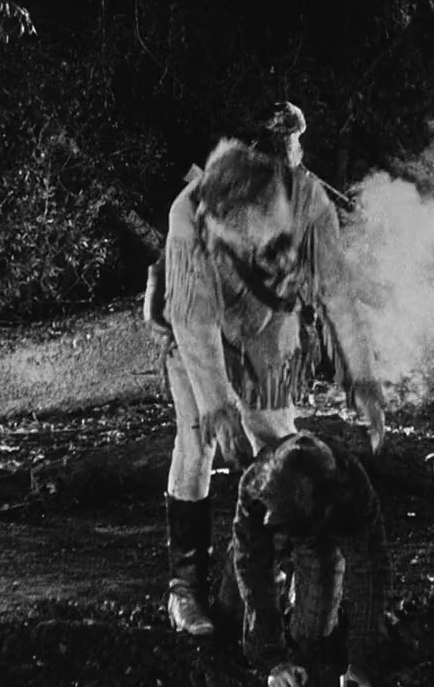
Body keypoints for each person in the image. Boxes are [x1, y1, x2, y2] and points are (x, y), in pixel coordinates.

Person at [146, 105, 386, 638]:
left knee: (277, 443)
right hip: (198, 330)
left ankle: (285, 569)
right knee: (197, 442)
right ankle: (185, 588)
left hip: (269, 323)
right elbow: (192, 319)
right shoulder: (188, 216)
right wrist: (217, 405)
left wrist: (363, 376)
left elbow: (336, 290)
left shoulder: (309, 201)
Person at [233, 431, 390, 687]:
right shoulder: (255, 489)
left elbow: (369, 571)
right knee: (233, 613)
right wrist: (272, 659)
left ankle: (297, 594)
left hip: (321, 533)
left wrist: (361, 663)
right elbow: (251, 566)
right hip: (269, 530)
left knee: (313, 635)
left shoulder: (352, 490)